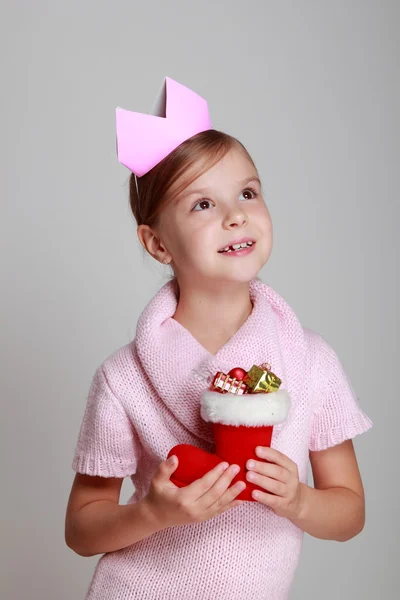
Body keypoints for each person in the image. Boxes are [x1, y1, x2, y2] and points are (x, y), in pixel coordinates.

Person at [65, 76, 373, 600]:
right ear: (157, 243)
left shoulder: (310, 362)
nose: (236, 215)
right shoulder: (123, 380)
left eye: (248, 193)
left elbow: (349, 512)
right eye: (202, 205)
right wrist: (154, 513)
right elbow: (80, 529)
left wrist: (298, 500)